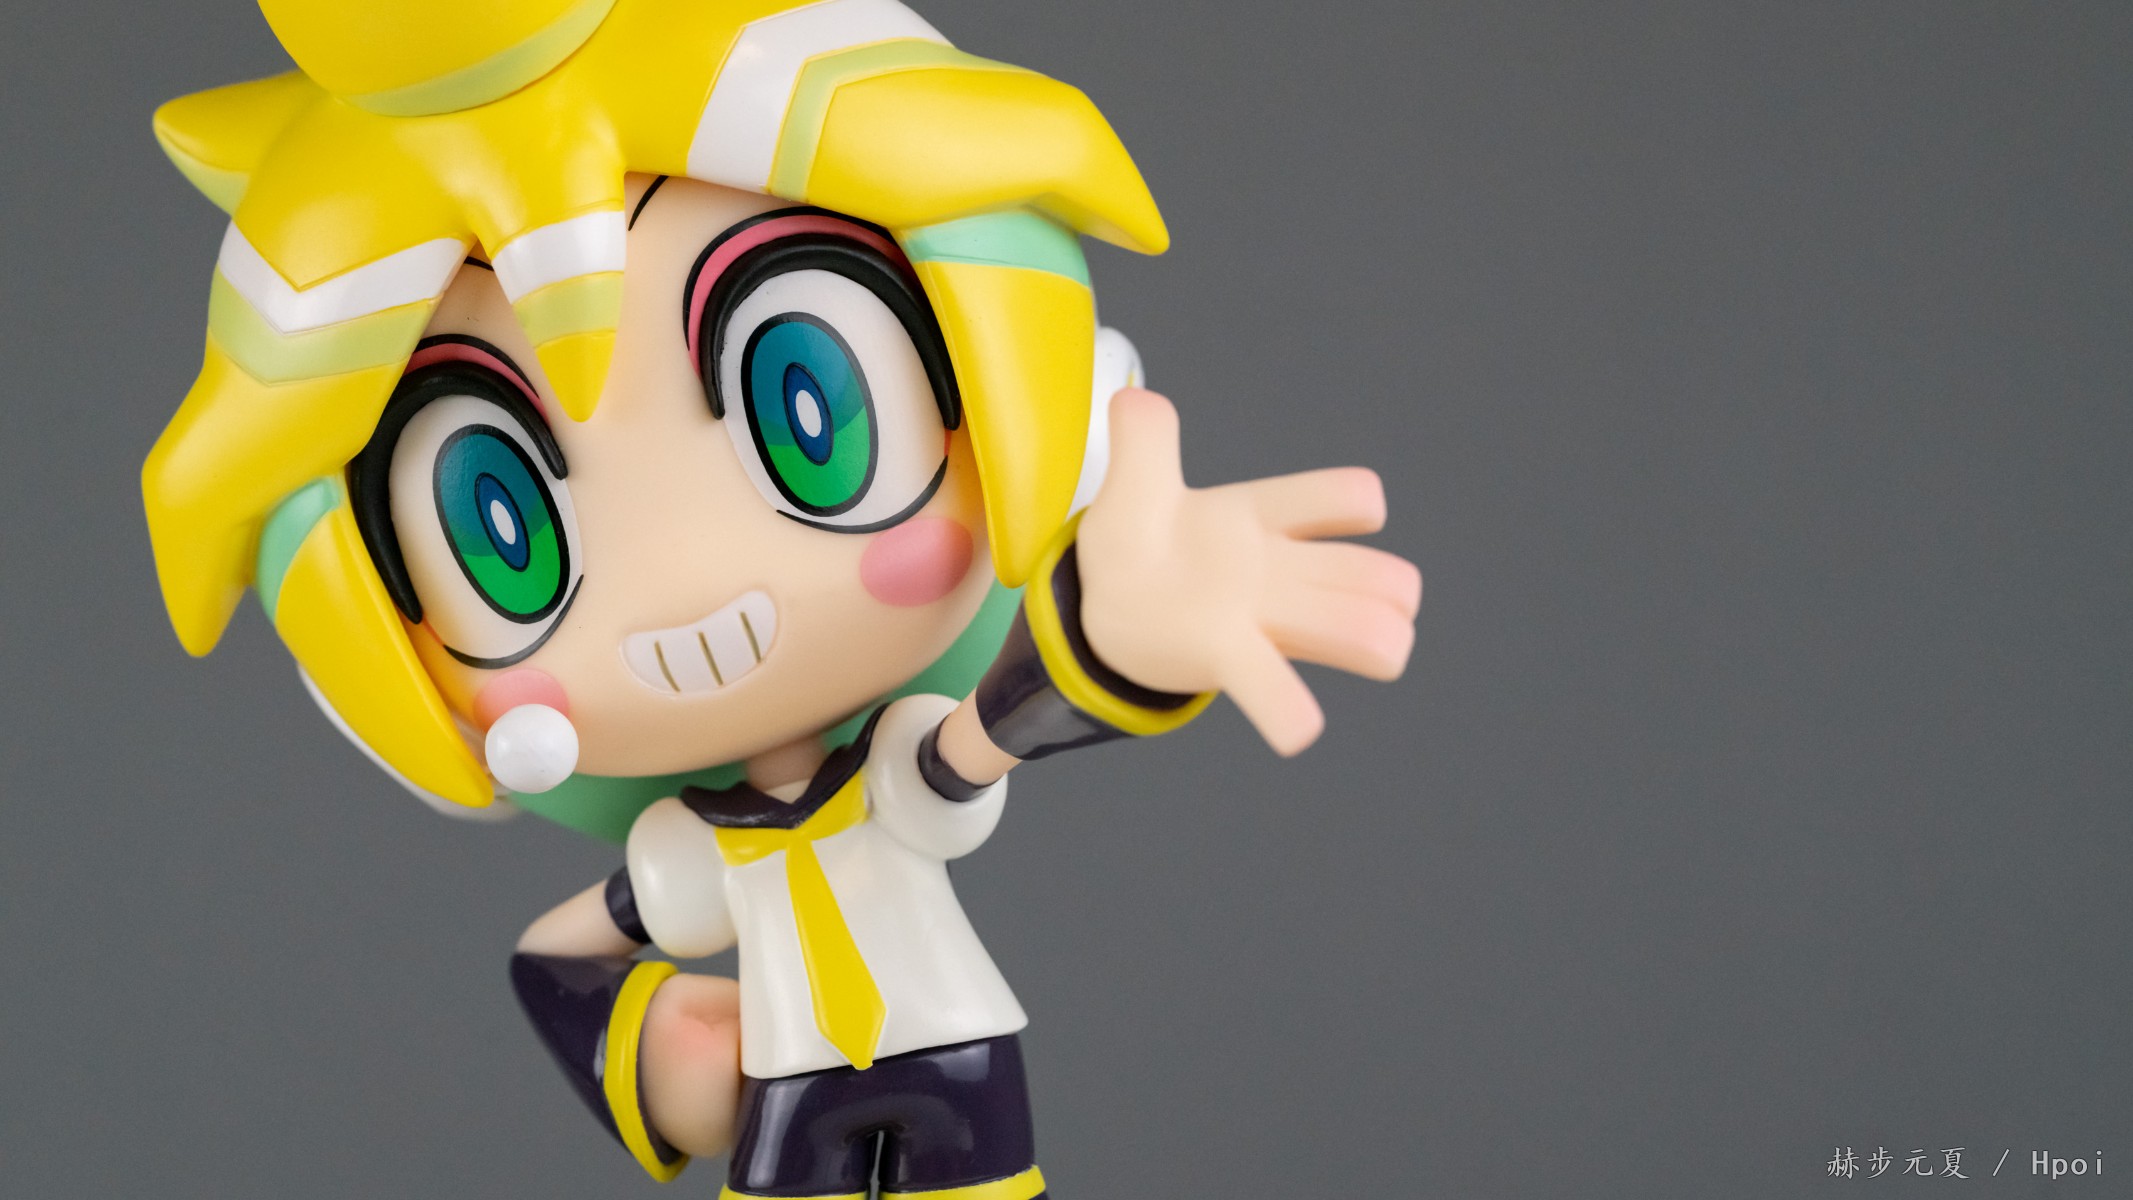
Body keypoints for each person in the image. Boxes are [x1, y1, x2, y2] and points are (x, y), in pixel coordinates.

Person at [143, 1, 1421, 1195]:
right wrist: (644, 1047)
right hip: (785, 1098)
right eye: (502, 531)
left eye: (810, 410)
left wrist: (1107, 635)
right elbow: (560, 958)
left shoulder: (898, 771)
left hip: (959, 1064)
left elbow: (988, 738)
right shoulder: (695, 848)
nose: (691, 590)